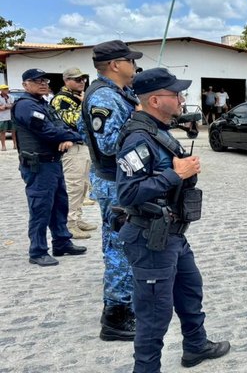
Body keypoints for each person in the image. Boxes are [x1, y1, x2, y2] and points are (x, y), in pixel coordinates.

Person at [116, 68, 230, 372]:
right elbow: (127, 193)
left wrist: (182, 171)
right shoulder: (138, 138)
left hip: (173, 234)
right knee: (155, 315)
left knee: (190, 290)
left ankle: (195, 346)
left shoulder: (159, 130)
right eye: (176, 94)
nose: (181, 99)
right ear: (155, 100)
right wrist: (175, 174)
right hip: (150, 238)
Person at [79, 40, 142, 341]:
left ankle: (126, 302)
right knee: (119, 245)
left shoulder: (119, 93)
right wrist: (141, 121)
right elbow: (108, 144)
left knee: (123, 241)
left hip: (120, 178)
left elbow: (84, 132)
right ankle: (117, 315)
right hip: (114, 181)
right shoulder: (104, 96)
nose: (135, 66)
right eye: (131, 61)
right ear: (116, 64)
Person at [11, 68, 87, 266]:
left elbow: (60, 125)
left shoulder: (42, 103)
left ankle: (61, 242)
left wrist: (67, 137)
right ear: (25, 85)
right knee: (41, 208)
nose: (43, 84)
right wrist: (74, 137)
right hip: (38, 165)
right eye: (37, 81)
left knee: (60, 205)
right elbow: (47, 131)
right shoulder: (25, 105)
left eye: (44, 81)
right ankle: (37, 251)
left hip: (53, 162)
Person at [51, 67, 97, 239]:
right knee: (74, 186)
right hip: (72, 148)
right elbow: (72, 120)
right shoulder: (61, 99)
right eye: (77, 79)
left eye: (83, 79)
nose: (82, 82)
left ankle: (76, 218)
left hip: (83, 145)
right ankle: (69, 224)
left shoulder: (77, 96)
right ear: (66, 81)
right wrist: (85, 104)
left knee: (83, 186)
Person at [1, 84, 17, 151]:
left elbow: (13, 106)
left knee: (14, 131)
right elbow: (1, 108)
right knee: (3, 132)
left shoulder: (11, 97)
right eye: (5, 89)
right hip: (2, 117)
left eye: (7, 89)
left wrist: (4, 106)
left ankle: (15, 144)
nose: (7, 90)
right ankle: (3, 146)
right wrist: (7, 106)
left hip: (11, 116)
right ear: (1, 90)